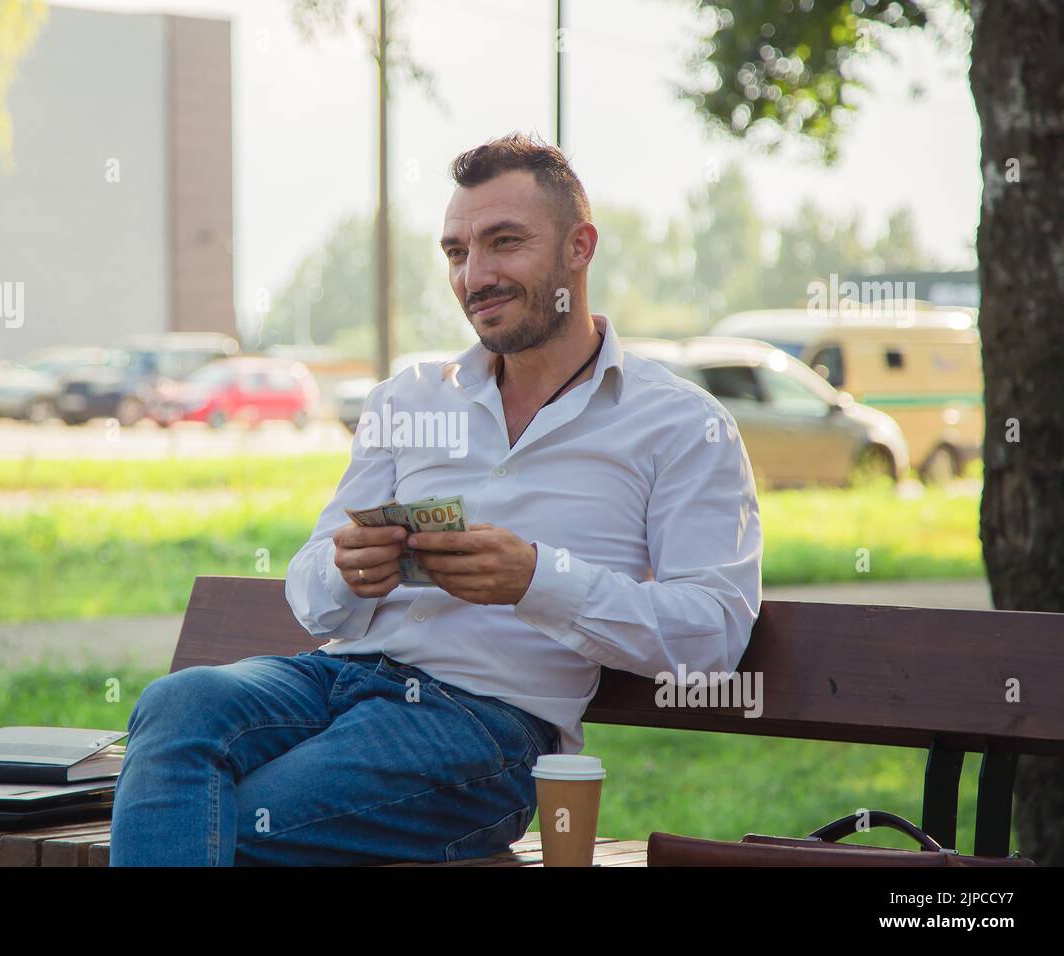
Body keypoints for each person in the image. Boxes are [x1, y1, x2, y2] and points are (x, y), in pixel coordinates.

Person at [109, 132, 763, 866]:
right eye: (456, 252)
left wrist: (538, 580)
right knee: (174, 707)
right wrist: (344, 569)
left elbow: (712, 637)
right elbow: (311, 590)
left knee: (226, 823)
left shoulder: (680, 425)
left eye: (503, 242)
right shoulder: (410, 398)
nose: (474, 275)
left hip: (484, 728)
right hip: (337, 678)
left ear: (580, 248)